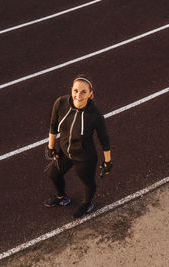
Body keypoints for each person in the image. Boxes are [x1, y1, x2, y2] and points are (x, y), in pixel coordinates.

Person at [44, 74, 113, 219]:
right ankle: (62, 197)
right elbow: (53, 126)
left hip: (84, 157)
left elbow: (104, 139)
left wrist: (107, 161)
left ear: (90, 94)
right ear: (71, 90)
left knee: (88, 183)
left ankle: (87, 204)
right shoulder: (60, 103)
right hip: (65, 152)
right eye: (76, 91)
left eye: (83, 92)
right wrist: (50, 146)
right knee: (53, 174)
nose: (78, 95)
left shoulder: (95, 115)